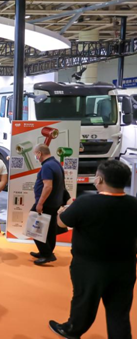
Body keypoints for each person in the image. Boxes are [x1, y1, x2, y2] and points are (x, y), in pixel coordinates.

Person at [49, 160, 136, 339]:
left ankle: (72, 330)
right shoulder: (134, 204)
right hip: (125, 266)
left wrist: (61, 212)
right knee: (119, 312)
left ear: (100, 179)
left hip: (89, 265)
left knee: (84, 301)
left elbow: (62, 222)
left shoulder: (85, 202)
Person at [31, 144, 65, 265]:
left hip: (46, 203)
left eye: (35, 154)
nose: (35, 156)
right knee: (50, 229)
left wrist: (40, 203)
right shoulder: (56, 164)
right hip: (54, 202)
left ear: (39, 153)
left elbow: (47, 186)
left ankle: (47, 254)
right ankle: (46, 251)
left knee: (34, 228)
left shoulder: (47, 166)